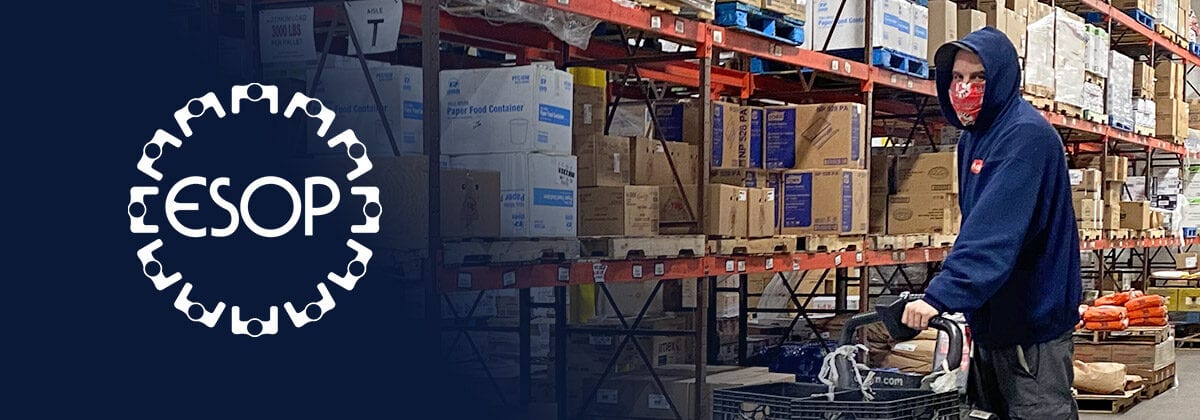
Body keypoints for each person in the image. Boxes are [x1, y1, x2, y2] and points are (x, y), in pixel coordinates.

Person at [900, 27, 1083, 419]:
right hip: (995, 316)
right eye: (958, 78)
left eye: (978, 77)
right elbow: (977, 225)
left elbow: (993, 234)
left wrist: (941, 295)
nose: (965, 88)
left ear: (1001, 77)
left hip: (1030, 324)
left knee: (1037, 412)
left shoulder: (1024, 136)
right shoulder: (976, 137)